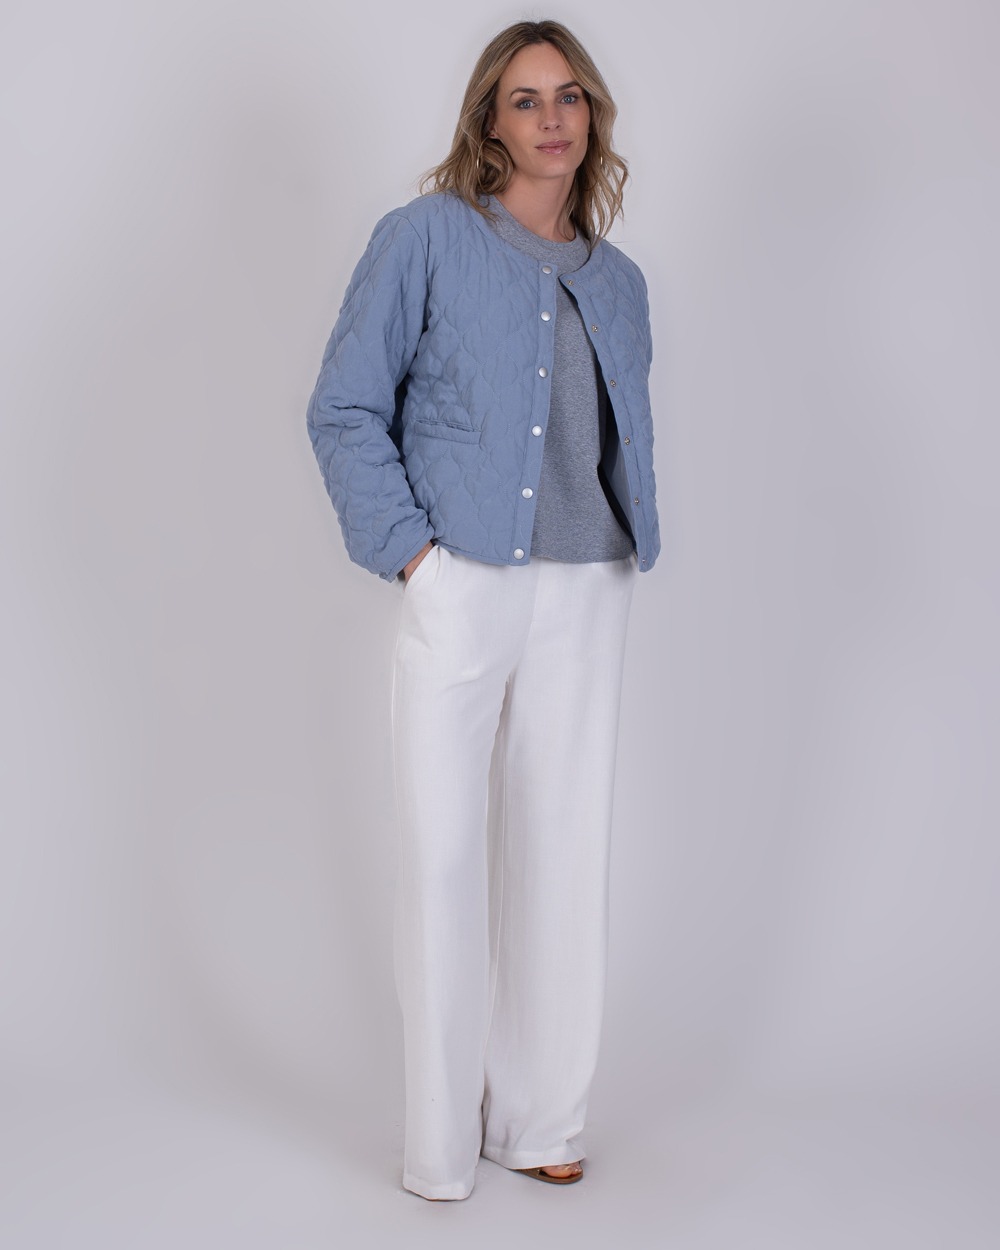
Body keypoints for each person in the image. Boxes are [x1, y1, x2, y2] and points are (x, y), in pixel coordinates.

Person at [305, 19, 660, 1201]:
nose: (552, 118)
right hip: (460, 578)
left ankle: (541, 1115)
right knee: (442, 855)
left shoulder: (619, 282)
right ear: (488, 122)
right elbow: (343, 406)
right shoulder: (424, 239)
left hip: (588, 585)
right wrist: (416, 558)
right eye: (525, 99)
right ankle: (438, 1144)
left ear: (592, 116)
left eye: (570, 97)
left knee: (565, 850)